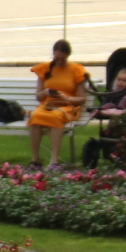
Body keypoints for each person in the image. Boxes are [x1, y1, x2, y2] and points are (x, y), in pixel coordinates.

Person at [27, 38, 90, 168]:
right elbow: (39, 97)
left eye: (63, 59)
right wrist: (46, 92)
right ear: (53, 55)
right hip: (48, 104)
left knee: (56, 117)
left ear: (68, 56)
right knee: (35, 116)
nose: (60, 61)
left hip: (68, 106)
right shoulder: (44, 69)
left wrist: (66, 98)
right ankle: (35, 160)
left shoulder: (76, 70)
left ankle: (54, 160)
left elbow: (82, 99)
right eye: (57, 58)